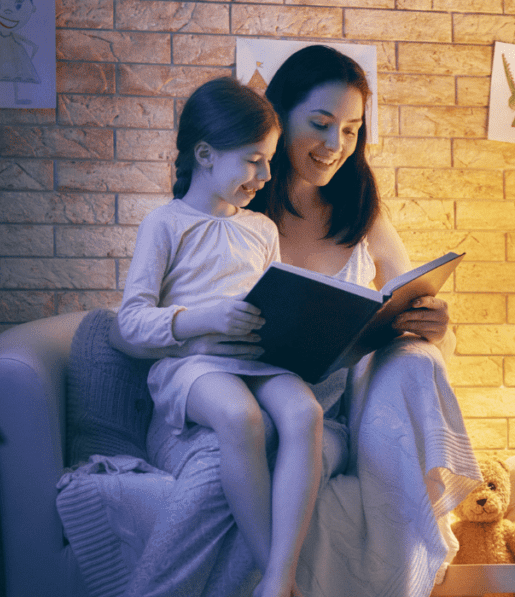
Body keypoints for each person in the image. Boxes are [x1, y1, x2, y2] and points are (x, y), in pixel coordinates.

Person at [113, 45, 480, 597]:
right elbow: (147, 318)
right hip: (214, 388)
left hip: (304, 401)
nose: (336, 145)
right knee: (230, 449)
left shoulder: (356, 210)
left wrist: (432, 324)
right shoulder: (232, 207)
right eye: (321, 124)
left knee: (293, 421)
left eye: (353, 130)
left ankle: (282, 579)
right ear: (278, 121)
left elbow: (402, 296)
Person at [115, 76, 321, 597]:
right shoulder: (165, 224)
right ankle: (277, 579)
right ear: (206, 154)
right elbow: (131, 321)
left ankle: (280, 573)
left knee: (306, 413)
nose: (266, 174)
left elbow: (278, 297)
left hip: (258, 359)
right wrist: (203, 319)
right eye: (254, 160)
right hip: (194, 364)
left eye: (269, 160)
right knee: (239, 417)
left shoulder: (262, 229)